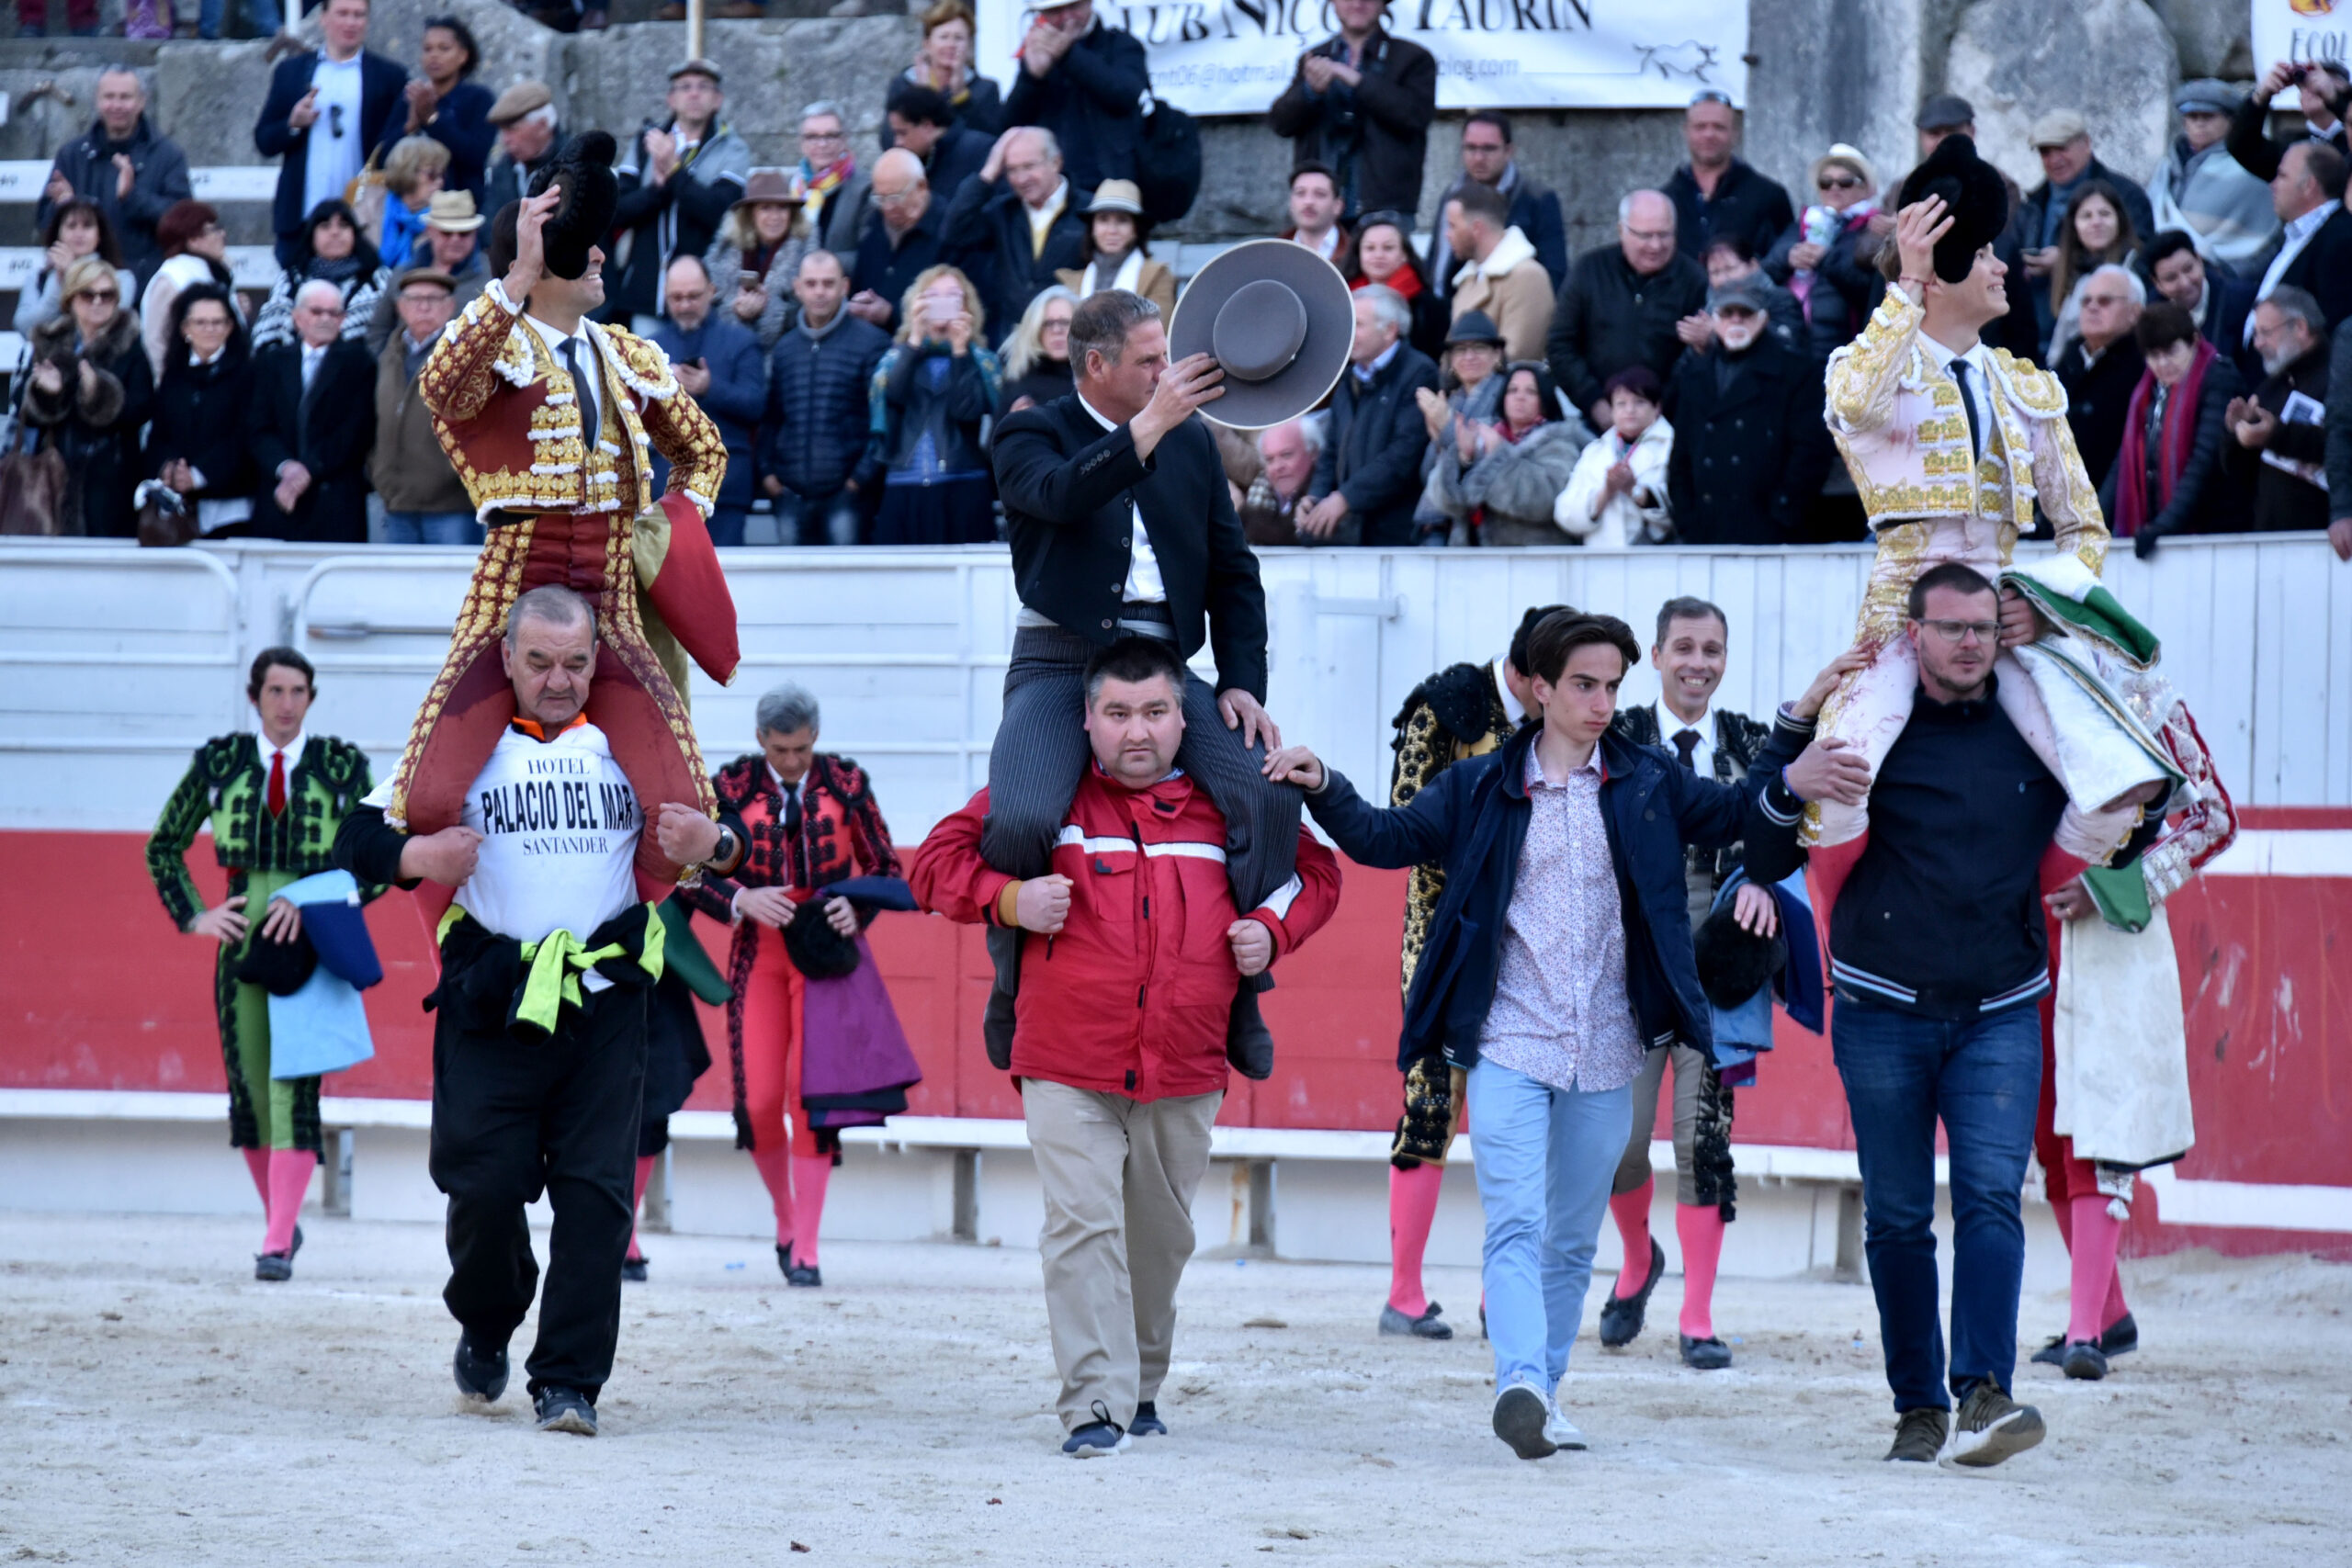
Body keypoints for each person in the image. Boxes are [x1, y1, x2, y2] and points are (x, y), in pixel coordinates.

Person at [1263, 613, 1824, 1459]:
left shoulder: (1649, 780)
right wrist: (1323, 783)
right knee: (1515, 1225)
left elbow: (1741, 813)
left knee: (1569, 1236)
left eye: (1611, 687)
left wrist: (1791, 752)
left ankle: (1545, 1392)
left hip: (1608, 1048)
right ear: (1539, 687)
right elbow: (1386, 837)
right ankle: (1520, 1377)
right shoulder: (1482, 785)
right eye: (1584, 686)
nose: (1602, 703)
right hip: (1509, 1045)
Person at [1745, 562, 2161, 1467]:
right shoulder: (1869, 729)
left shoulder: (2037, 722)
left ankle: (1982, 1393)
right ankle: (1916, 1407)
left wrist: (2142, 795)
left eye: (1982, 626)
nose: (1970, 642)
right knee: (1895, 1216)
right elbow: (1767, 839)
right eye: (1951, 628)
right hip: (1881, 1004)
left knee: (1987, 1201)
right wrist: (1787, 752)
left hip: (2000, 1006)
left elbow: (2137, 805)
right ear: (1915, 633)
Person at [911, 635, 1340, 1456]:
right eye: (1116, 714)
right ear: (1086, 720)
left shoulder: (1231, 806)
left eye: (1153, 712)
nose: (1135, 732)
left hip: (1184, 1063)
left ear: (1185, 718)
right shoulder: (1046, 797)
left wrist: (1271, 930)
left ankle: (1139, 1384)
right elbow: (934, 862)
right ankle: (1092, 1406)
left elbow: (1316, 875)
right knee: (1081, 1225)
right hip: (1066, 1062)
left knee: (1160, 1237)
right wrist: (1007, 897)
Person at [334, 585, 736, 1438]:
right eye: (541, 661)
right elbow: (352, 839)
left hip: (606, 1000)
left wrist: (717, 846)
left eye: (577, 662)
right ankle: (486, 1322)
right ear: (506, 657)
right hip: (494, 997)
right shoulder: (458, 747)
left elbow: (721, 841)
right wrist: (418, 852)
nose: (559, 679)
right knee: (481, 1187)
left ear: (599, 660)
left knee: (597, 1199)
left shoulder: (628, 744)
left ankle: (568, 1381)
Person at [392, 138, 739, 908]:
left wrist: (669, 530)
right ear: (546, 260)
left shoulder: (628, 353)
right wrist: (514, 274)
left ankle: (614, 930)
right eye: (582, 250)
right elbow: (443, 390)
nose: (602, 261)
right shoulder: (491, 342)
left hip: (610, 600)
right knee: (426, 798)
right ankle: (463, 943)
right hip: (507, 599)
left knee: (686, 807)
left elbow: (704, 452)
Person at [1810, 134, 2169, 861]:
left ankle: (2028, 921)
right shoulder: (1863, 366)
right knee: (1833, 793)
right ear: (1940, 275)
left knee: (2119, 794)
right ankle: (1838, 958)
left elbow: (2083, 528)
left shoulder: (2025, 382)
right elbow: (1853, 407)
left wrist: (2043, 605)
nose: (2004, 265)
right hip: (1902, 612)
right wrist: (1904, 286)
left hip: (2005, 611)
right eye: (1983, 256)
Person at [985, 287, 1299, 1070]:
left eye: (1166, 356)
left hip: (1165, 659)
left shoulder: (1189, 442)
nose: (1170, 372)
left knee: (1265, 791)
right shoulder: (1030, 429)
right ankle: (1010, 978)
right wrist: (1150, 423)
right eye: (1150, 361)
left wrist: (1241, 681)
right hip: (1060, 657)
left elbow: (1234, 571)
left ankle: (1243, 990)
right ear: (1095, 365)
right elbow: (1059, 494)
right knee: (1021, 814)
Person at [2030, 649, 2235, 1382]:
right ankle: (2107, 1315)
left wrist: (2116, 887)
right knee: (2049, 1137)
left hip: (2110, 938)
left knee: (2098, 1129)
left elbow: (2214, 817)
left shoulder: (2140, 691)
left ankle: (2087, 1328)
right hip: (2019, 938)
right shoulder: (1998, 685)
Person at [150, 649, 376, 1280]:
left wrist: (315, 904)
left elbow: (379, 858)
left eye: (297, 690)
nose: (286, 702)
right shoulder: (220, 762)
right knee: (249, 1090)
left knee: (293, 1088)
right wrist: (195, 915)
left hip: (311, 941)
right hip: (242, 939)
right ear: (255, 697)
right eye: (274, 690)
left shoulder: (341, 766)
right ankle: (282, 1215)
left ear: (311, 697)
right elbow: (164, 845)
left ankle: (277, 1240)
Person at [1372, 604, 1565, 1339]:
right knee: (1433, 1094)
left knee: (1531, 1105)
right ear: (1522, 672)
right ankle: (1404, 1291)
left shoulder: (1561, 723)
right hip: (1446, 928)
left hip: (1537, 936)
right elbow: (1405, 819)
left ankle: (1505, 1289)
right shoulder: (1444, 705)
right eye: (1547, 684)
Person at [680, 683, 912, 1288]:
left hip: (826, 955)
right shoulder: (728, 788)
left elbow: (886, 866)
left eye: (802, 749)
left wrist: (855, 910)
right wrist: (741, 897)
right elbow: (688, 872)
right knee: (758, 1103)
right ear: (761, 741)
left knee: (811, 1098)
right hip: (759, 949)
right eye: (781, 749)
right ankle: (785, 1219)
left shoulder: (847, 782)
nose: (792, 761)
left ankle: (806, 1246)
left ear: (816, 738)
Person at [1596, 599, 1777, 1369]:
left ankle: (1697, 1318)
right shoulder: (1619, 737)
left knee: (1703, 1142)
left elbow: (1786, 827)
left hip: (1718, 974)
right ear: (1659, 655)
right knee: (1620, 1143)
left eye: (1713, 649)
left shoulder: (1751, 743)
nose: (1699, 662)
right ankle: (1638, 1259)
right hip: (1630, 969)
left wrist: (1768, 876)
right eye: (1684, 648)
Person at [1663, 273, 1835, 545]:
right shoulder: (1694, 374)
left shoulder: (1796, 372)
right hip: (1706, 529)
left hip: (1769, 530)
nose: (1736, 320)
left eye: (1745, 312)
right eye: (1728, 312)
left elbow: (1810, 451)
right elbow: (1681, 453)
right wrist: (1687, 518)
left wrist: (1783, 512)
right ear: (1715, 319)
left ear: (1764, 318)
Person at [253, 0, 406, 267]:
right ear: (323, 18)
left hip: (363, 218)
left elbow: (395, 147)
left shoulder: (388, 76)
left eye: (359, 15)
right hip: (300, 219)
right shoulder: (291, 72)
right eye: (343, 14)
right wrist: (292, 124)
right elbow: (264, 140)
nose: (351, 22)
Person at [1547, 190, 1709, 436]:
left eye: (1664, 235)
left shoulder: (1694, 280)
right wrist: (1595, 404)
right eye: (1645, 236)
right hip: (1594, 423)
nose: (1656, 245)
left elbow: (1693, 358)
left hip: (1669, 426)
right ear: (1622, 231)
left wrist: (1656, 409)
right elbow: (1560, 344)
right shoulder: (1589, 271)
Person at [762, 249, 892, 547]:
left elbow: (883, 422)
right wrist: (768, 475)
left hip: (847, 496)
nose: (820, 292)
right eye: (811, 284)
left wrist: (857, 481)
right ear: (797, 287)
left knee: (848, 588)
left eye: (828, 283)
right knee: (791, 587)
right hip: (790, 494)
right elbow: (772, 418)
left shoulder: (872, 342)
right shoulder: (785, 349)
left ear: (845, 287)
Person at [611, 61, 752, 333]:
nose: (694, 94)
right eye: (685, 87)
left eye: (703, 87)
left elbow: (719, 213)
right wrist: (658, 190)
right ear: (671, 99)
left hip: (707, 295)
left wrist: (674, 170)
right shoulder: (646, 143)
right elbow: (618, 210)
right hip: (647, 294)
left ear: (718, 100)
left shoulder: (733, 148)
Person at [21, 254, 154, 537]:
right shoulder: (48, 342)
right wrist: (48, 394)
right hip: (54, 477)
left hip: (112, 479)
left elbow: (141, 409)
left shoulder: (131, 345)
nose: (97, 302)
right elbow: (25, 412)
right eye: (88, 294)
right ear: (70, 299)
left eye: (106, 295)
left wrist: (99, 394)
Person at [2100, 300, 2246, 556]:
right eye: (2154, 356)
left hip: (2212, 534)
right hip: (2162, 529)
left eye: (2171, 352)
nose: (2163, 364)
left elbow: (2203, 461)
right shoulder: (2148, 388)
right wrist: (2093, 520)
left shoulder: (2218, 377)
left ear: (2193, 341)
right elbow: (2126, 457)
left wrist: (2164, 526)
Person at [868, 265, 1001, 545]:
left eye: (952, 296)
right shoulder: (896, 358)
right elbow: (894, 397)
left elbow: (964, 410)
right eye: (932, 296)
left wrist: (960, 351)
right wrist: (914, 341)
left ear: (967, 306)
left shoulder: (982, 361)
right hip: (904, 485)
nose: (942, 303)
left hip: (963, 484)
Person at [1301, 286, 1441, 547]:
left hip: (1398, 532)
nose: (1349, 334)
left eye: (1359, 326)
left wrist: (1346, 498)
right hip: (1352, 529)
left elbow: (1403, 455)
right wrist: (1316, 497)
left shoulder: (1419, 373)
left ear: (1389, 330)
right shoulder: (1348, 379)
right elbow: (1331, 449)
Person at [1268, 0, 1433, 220]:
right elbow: (1280, 123)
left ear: (1384, 5)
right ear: (1333, 4)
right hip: (1321, 208)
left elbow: (1415, 116)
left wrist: (1357, 81)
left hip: (1385, 206)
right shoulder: (1315, 58)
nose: (1357, 3)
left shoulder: (1413, 58)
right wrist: (1310, 92)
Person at [35, 66, 191, 291]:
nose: (116, 106)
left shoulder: (168, 155)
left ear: (141, 101)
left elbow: (184, 222)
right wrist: (64, 207)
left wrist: (132, 197)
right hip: (79, 288)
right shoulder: (71, 155)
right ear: (97, 101)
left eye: (125, 97)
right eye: (109, 97)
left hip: (145, 288)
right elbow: (44, 225)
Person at [247, 278, 375, 543]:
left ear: (343, 319)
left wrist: (307, 470)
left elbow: (356, 430)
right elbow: (257, 427)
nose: (326, 319)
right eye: (317, 311)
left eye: (334, 313)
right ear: (297, 317)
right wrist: (286, 468)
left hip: (335, 500)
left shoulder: (359, 363)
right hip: (279, 496)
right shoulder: (271, 362)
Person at [2015, 111, 2155, 353]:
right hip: (2036, 335)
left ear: (2087, 144)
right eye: (2045, 152)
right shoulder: (2032, 203)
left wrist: (2067, 260)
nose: (2054, 159)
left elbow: (2139, 256)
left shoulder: (2126, 194)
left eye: (2062, 148)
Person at [651, 255, 765, 548]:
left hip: (724, 490)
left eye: (693, 296)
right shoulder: (648, 348)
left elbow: (756, 406)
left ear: (712, 291)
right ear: (664, 296)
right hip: (665, 490)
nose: (685, 305)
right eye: (677, 298)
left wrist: (709, 387)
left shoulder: (741, 341)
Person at [940, 127, 1088, 345]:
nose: (1021, 179)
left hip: (1071, 341)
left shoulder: (1090, 210)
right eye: (1011, 170)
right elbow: (954, 231)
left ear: (1056, 162)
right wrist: (988, 172)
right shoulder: (1003, 212)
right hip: (1014, 344)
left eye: (1029, 166)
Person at [1423, 361, 1582, 547]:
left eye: (1530, 391)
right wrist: (1464, 459)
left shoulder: (1560, 442)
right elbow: (1445, 503)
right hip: (1471, 561)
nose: (1519, 397)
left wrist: (1499, 454)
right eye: (1512, 390)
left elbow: (1543, 503)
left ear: (1545, 399)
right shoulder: (1483, 434)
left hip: (1533, 563)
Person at [372, 268, 476, 545]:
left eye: (434, 299)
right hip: (396, 505)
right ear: (400, 306)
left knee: (453, 587)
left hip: (451, 508)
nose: (424, 306)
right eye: (415, 298)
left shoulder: (465, 355)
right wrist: (378, 473)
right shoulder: (388, 355)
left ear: (450, 306)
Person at [1002, 0, 1148, 194]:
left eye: (1074, 7)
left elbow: (1125, 96)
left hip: (1109, 185)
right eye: (1056, 10)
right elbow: (1009, 126)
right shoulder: (1037, 53)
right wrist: (1031, 79)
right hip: (1051, 187)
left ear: (1089, 3)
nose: (1067, 17)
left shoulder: (1121, 45)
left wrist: (1068, 55)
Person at [146, 284, 257, 536]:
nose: (210, 330)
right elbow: (160, 434)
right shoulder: (173, 376)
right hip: (176, 509)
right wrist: (169, 468)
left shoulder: (248, 374)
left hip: (231, 508)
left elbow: (246, 436)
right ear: (185, 328)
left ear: (230, 327)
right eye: (201, 322)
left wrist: (198, 476)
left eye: (218, 322)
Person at [1425, 110, 1566, 304]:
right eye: (1470, 148)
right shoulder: (1452, 195)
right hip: (1452, 310)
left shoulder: (1537, 198)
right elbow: (1437, 262)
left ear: (1508, 151)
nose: (1478, 158)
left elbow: (1554, 273)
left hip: (1511, 308)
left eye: (1488, 149)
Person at [2224, 287, 2333, 535]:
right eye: (2255, 334)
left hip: (2326, 541)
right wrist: (2238, 432)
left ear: (2300, 327)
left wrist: (2274, 435)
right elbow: (2239, 474)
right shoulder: (2271, 386)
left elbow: (2337, 444)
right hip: (2269, 539)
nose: (2258, 344)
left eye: (2265, 333)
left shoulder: (2339, 376)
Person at [1766, 144, 1886, 361]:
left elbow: (1870, 287)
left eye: (1845, 182)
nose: (1834, 188)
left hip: (1845, 346)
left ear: (1864, 188)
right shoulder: (1805, 223)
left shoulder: (1874, 228)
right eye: (1826, 182)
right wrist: (1789, 258)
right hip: (1793, 343)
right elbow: (1767, 270)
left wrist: (1825, 259)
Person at [2148, 79, 2278, 281]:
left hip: (2230, 277)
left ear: (2231, 121)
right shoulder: (2168, 166)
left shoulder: (2249, 167)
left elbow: (2270, 237)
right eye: (2192, 116)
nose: (2199, 123)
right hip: (2168, 277)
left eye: (2208, 116)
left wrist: (2230, 274)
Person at [1666, 89, 1795, 263]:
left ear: (1735, 133)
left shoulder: (1769, 196)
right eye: (1700, 127)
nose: (1709, 135)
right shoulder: (1665, 200)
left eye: (1719, 127)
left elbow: (1784, 263)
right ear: (1686, 132)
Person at [2052, 265, 2149, 495]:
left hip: (2115, 498)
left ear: (2135, 312)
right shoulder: (2066, 360)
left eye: (2105, 301)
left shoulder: (2145, 365)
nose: (2092, 307)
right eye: (2086, 301)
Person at [249, 199, 391, 352]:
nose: (335, 232)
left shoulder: (379, 278)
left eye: (343, 225)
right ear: (312, 235)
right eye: (325, 226)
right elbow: (268, 336)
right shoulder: (290, 280)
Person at [380, 14, 492, 206]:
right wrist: (409, 126)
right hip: (408, 208)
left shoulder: (478, 98)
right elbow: (382, 157)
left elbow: (475, 154)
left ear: (463, 55)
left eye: (444, 48)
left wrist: (432, 120)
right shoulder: (410, 97)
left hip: (461, 207)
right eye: (427, 49)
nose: (434, 55)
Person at [1410, 310, 1506, 534]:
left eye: (1479, 348)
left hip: (1487, 522)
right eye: (1460, 349)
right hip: (1441, 519)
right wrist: (1436, 440)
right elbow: (1427, 474)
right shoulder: (1451, 400)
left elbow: (1492, 462)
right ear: (1451, 359)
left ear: (1497, 354)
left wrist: (1446, 427)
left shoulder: (1507, 394)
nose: (1469, 356)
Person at [1557, 367, 1672, 548]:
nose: (1630, 410)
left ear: (1657, 407)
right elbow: (1565, 514)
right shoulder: (1594, 451)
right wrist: (1606, 493)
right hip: (1600, 562)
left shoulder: (1672, 447)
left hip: (1654, 562)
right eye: (1621, 403)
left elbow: (1680, 513)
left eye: (1639, 402)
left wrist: (1636, 491)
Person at [365, 190, 489, 355]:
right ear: (430, 230)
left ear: (475, 233)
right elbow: (379, 329)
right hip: (403, 375)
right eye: (447, 232)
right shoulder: (402, 274)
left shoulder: (491, 278)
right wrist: (387, 368)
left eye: (464, 233)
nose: (455, 239)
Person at [1443, 183, 1552, 364]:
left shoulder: (1527, 277)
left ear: (1476, 228)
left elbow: (1517, 355)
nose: (1447, 234)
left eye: (1453, 226)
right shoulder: (1468, 280)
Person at [701, 173, 808, 354]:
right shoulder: (723, 253)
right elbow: (706, 309)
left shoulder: (805, 254)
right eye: (765, 208)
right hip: (730, 353)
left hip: (786, 354)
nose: (775, 217)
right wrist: (736, 310)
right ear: (751, 214)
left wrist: (769, 308)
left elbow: (806, 310)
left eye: (782, 208)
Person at [2249, 142, 2352, 332]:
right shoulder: (2294, 234)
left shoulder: (2341, 240)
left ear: (2309, 186)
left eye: (2282, 176)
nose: (2273, 185)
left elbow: (2330, 326)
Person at [2043, 183, 2143, 367]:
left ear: (2119, 220)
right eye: (2086, 216)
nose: (2096, 222)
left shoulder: (2138, 267)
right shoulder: (2073, 273)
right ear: (2074, 226)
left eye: (2105, 214)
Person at [847, 150, 944, 337]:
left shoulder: (948, 230)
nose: (888, 208)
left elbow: (959, 304)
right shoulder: (875, 226)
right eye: (880, 198)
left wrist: (891, 314)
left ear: (921, 187)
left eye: (896, 197)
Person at [13, 199, 138, 339]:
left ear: (99, 235)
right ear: (58, 234)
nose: (79, 233)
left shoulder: (122, 278)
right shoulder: (37, 277)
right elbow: (26, 328)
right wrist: (59, 281)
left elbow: (113, 325)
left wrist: (72, 273)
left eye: (87, 226)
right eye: (71, 226)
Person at [2146, 227, 2257, 384]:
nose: (2185, 283)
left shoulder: (2241, 300)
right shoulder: (2151, 315)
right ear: (2157, 283)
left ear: (2199, 260)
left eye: (2189, 269)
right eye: (2171, 278)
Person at [141, 200, 237, 377]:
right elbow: (155, 341)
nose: (222, 234)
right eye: (213, 230)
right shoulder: (172, 279)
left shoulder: (216, 273)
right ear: (192, 240)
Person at [887, 0, 1002, 143]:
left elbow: (987, 140)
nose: (951, 45)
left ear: (969, 45)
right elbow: (888, 139)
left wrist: (961, 98)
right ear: (927, 44)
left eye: (959, 38)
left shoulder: (986, 90)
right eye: (944, 37)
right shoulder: (903, 85)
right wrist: (922, 97)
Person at [1055, 180, 1174, 317]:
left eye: (1122, 220)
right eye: (1103, 219)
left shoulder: (1157, 276)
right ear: (1092, 228)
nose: (1112, 230)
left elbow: (1158, 328)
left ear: (1136, 229)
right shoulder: (1073, 282)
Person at [2229, 59, 2352, 184]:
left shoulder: (2347, 140)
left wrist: (2335, 99)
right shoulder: (2292, 145)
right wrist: (2259, 99)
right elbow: (2243, 148)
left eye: (2325, 79)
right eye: (2303, 83)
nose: (2312, 87)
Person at [1348, 209, 1447, 360]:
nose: (1378, 255)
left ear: (1404, 254)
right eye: (1370, 248)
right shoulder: (1345, 300)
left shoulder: (1429, 306)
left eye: (1388, 248)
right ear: (1358, 254)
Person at [884, 81, 993, 204]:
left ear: (927, 126)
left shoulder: (979, 150)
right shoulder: (914, 160)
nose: (898, 142)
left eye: (902, 133)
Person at [793, 102, 873, 262]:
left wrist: (822, 266)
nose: (822, 144)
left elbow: (869, 253)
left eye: (830, 136)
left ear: (844, 140)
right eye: (812, 137)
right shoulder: (793, 188)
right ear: (801, 143)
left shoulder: (864, 189)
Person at [1701, 235, 1804, 353]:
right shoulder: (1708, 312)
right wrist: (1700, 346)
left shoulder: (1781, 300)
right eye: (1715, 272)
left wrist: (1721, 336)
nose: (1724, 279)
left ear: (1753, 265)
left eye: (1730, 269)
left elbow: (1790, 348)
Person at [482, 83, 565, 220]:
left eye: (512, 129)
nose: (505, 140)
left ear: (542, 125)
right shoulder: (503, 170)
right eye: (503, 131)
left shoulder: (576, 166)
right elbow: (490, 227)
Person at [377, 134, 453, 273]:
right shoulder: (372, 208)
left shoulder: (445, 220)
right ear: (408, 171)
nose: (440, 181)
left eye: (442, 174)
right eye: (432, 174)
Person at [1238, 417, 1319, 546]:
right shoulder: (1260, 487)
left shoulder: (1323, 489)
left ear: (1314, 453)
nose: (1278, 467)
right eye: (1270, 460)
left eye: (1286, 455)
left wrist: (1240, 510)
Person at [998, 284, 1076, 414]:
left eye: (1065, 322)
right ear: (1035, 329)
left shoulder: (1092, 381)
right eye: (1048, 324)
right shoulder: (1019, 381)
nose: (1057, 330)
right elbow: (996, 433)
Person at [1279, 163, 1351, 270]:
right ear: (1290, 203)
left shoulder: (1355, 255)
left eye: (1320, 194)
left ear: (1338, 205)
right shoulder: (1275, 252)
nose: (1309, 202)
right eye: (1300, 193)